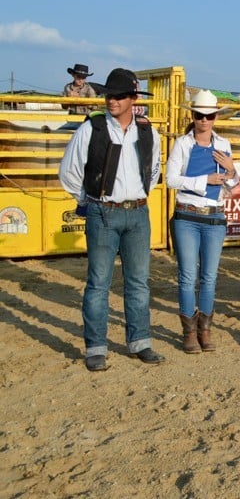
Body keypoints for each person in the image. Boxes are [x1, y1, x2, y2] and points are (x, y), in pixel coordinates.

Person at [58, 68, 162, 371]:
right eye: (108, 95)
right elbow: (69, 172)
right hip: (104, 209)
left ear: (132, 99)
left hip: (138, 210)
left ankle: (140, 341)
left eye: (117, 95)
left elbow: (153, 170)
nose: (111, 100)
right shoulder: (92, 128)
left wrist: (141, 193)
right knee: (99, 283)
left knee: (138, 282)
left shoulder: (146, 130)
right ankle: (96, 347)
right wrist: (88, 199)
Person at [167, 90, 238, 353]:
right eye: (200, 115)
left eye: (208, 116)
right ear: (193, 116)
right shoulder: (182, 144)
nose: (204, 120)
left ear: (215, 117)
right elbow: (170, 179)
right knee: (188, 276)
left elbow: (232, 183)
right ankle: (189, 331)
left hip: (213, 215)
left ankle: (204, 330)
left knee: (208, 277)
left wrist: (230, 169)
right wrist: (204, 181)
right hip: (187, 214)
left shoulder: (224, 145)